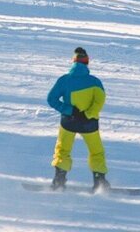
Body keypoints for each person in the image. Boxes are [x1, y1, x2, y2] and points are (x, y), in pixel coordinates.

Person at [46, 47, 108, 192]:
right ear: (87, 63)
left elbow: (51, 99)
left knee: (62, 150)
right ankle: (99, 182)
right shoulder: (95, 82)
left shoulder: (64, 80)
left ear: (73, 62)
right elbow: (99, 101)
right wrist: (87, 114)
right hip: (89, 124)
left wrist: (69, 110)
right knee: (96, 152)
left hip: (69, 122)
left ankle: (59, 181)